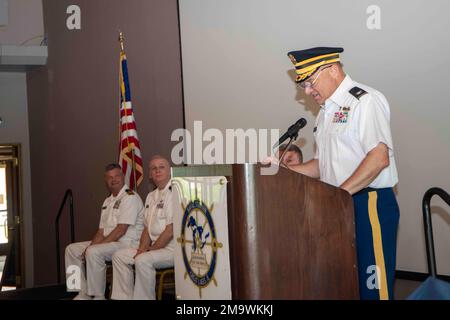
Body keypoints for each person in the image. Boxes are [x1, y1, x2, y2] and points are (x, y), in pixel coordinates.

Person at [284, 47, 399, 300]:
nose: (307, 91)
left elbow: (378, 158)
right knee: (346, 286)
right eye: (302, 84)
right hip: (339, 205)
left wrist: (338, 196)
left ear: (333, 70)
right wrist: (287, 171)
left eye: (310, 81)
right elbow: (322, 165)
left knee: (373, 289)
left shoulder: (364, 100)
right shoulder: (325, 112)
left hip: (369, 205)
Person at [65, 163, 144, 300]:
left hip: (127, 243)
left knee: (94, 252)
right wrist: (90, 246)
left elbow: (120, 230)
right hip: (110, 242)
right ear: (105, 181)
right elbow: (101, 231)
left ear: (123, 177)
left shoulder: (130, 197)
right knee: (72, 250)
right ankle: (81, 291)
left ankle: (97, 295)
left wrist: (94, 247)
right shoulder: (108, 200)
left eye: (117, 176)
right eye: (109, 177)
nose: (114, 179)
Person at [111, 155, 174, 300]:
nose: (157, 171)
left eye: (161, 167)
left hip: (172, 249)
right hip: (155, 247)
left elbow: (171, 230)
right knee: (119, 256)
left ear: (169, 171)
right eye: (153, 168)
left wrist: (150, 250)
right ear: (150, 175)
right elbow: (147, 229)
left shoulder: (174, 193)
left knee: (142, 260)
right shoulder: (151, 196)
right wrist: (141, 249)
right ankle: (123, 298)